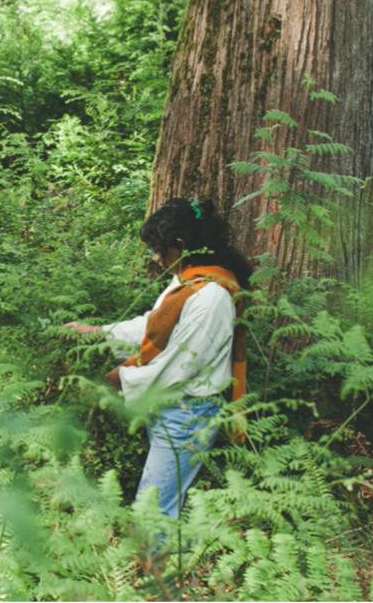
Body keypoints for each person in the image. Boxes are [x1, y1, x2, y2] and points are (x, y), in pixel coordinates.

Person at [65, 197, 251, 520]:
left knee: (153, 510)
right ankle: (165, 562)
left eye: (157, 250)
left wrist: (119, 380)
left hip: (188, 414)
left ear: (179, 244)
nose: (154, 258)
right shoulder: (188, 279)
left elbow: (179, 366)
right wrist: (97, 331)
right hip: (172, 408)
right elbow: (154, 325)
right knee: (163, 501)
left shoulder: (211, 296)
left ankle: (158, 567)